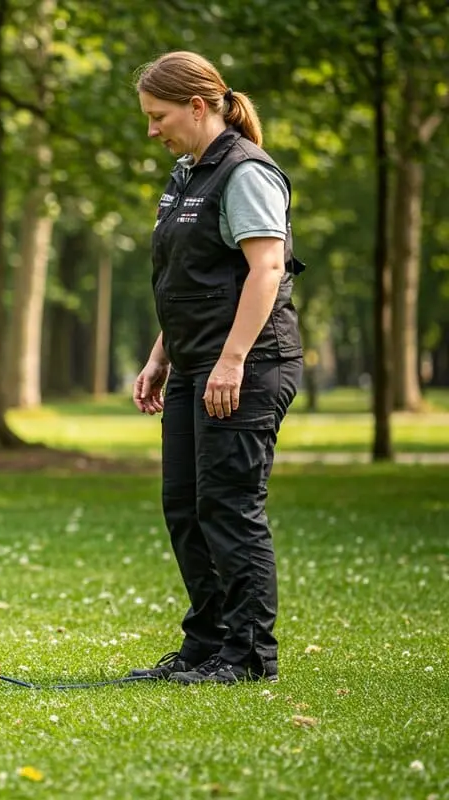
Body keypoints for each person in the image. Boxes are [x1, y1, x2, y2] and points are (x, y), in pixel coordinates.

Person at [128, 51, 304, 684]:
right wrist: (160, 356)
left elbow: (266, 270)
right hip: (194, 360)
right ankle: (207, 643)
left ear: (198, 107)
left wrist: (231, 362)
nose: (152, 129)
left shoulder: (246, 174)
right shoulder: (186, 174)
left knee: (229, 505)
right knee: (185, 504)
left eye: (159, 115)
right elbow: (187, 279)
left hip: (248, 364)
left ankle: (250, 654)